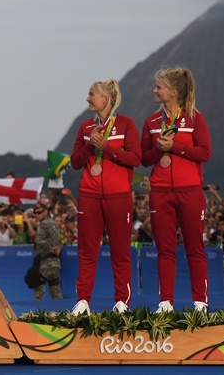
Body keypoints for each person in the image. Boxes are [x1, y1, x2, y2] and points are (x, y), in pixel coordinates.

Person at [141, 67, 211, 313]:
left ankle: (200, 302)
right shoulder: (151, 122)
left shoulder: (195, 119)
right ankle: (166, 303)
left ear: (173, 92)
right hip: (160, 192)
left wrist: (175, 147)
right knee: (165, 250)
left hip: (190, 191)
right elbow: (144, 159)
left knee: (195, 248)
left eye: (158, 87)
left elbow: (205, 153)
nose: (154, 91)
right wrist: (159, 150)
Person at [69, 79, 141, 315]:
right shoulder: (85, 127)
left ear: (106, 99)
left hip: (118, 196)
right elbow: (75, 163)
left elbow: (135, 159)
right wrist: (91, 146)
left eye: (91, 94)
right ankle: (83, 301)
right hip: (89, 195)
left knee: (120, 251)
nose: (87, 98)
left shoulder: (126, 124)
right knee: (87, 251)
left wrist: (107, 148)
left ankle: (122, 302)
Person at [32, 205, 63, 300]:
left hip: (46, 261)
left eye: (39, 212)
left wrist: (47, 247)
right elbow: (58, 242)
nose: (36, 215)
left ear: (46, 212)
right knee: (55, 289)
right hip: (52, 261)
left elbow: (51, 242)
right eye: (35, 213)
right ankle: (59, 308)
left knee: (39, 290)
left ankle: (38, 308)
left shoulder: (46, 224)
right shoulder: (49, 224)